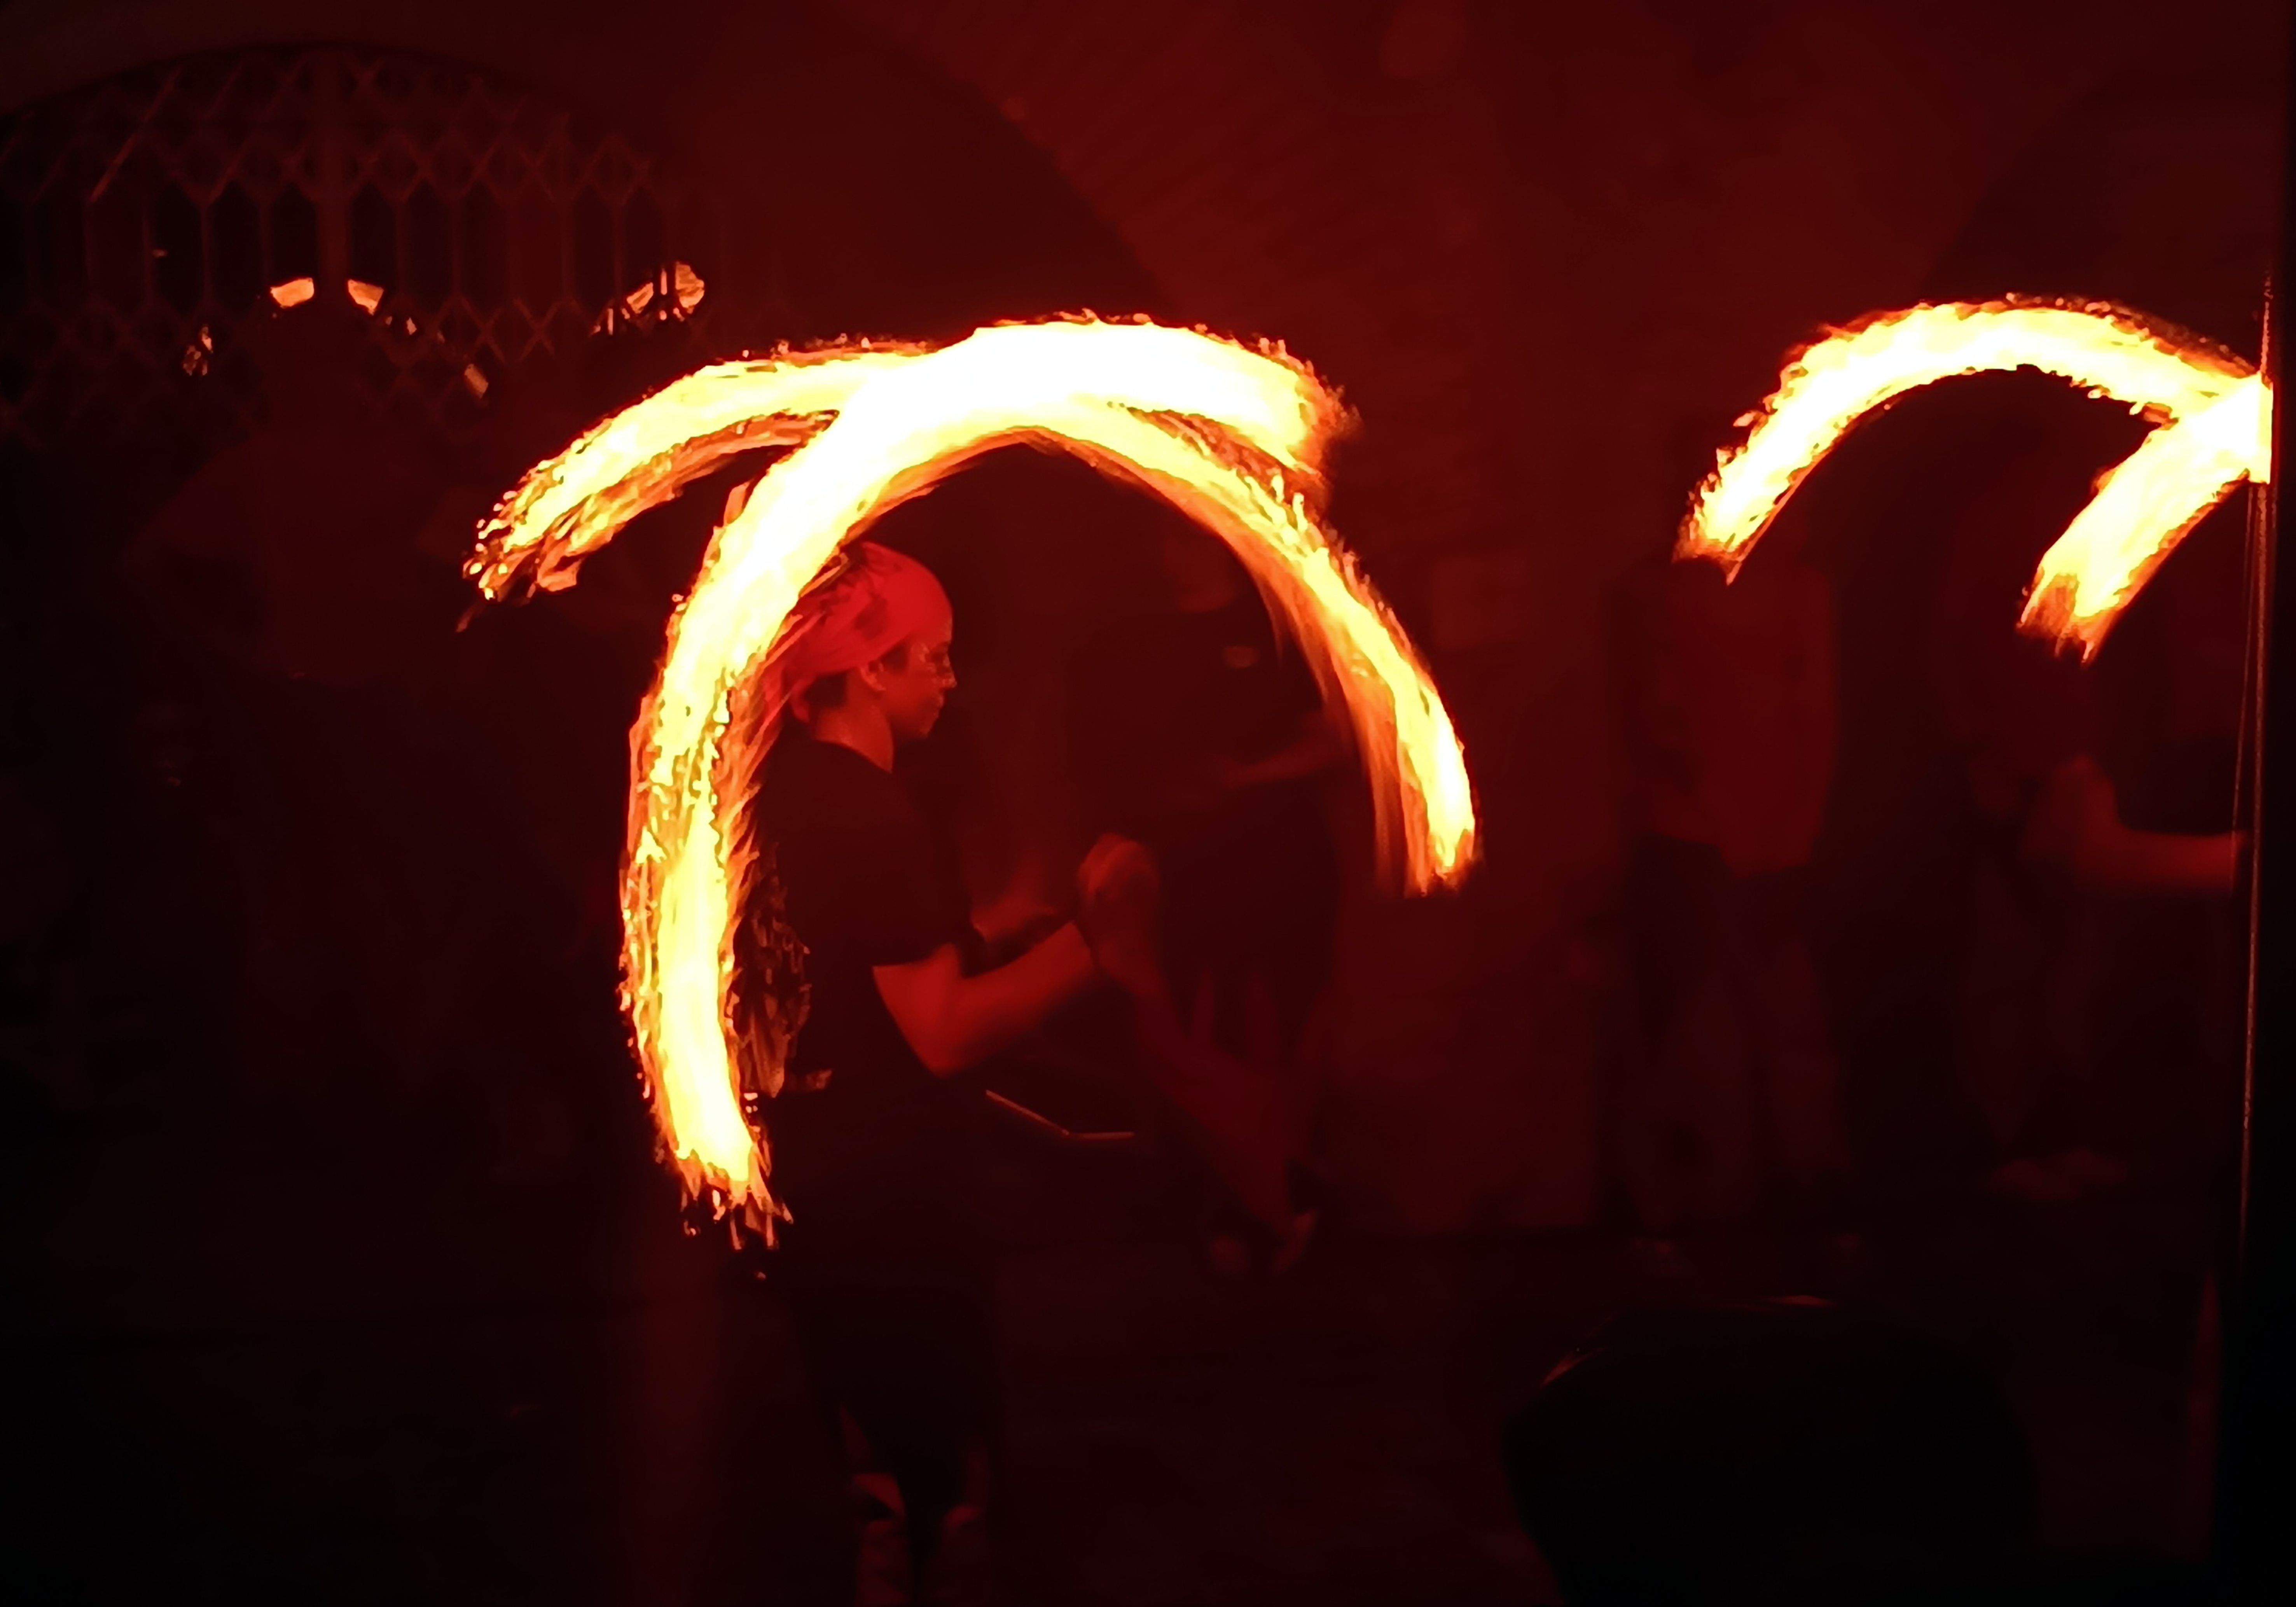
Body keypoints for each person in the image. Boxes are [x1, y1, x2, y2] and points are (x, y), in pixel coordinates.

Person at [741, 539, 1150, 1606]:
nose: (952, 678)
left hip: (812, 1177)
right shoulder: (874, 818)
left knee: (870, 1452)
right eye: (935, 656)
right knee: (937, 1486)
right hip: (895, 1197)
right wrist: (1089, 951)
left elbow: (846, 966)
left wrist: (982, 927)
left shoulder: (778, 797)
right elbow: (944, 1033)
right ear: (870, 668)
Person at [1063, 525, 1342, 1272]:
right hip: (1187, 874)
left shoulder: (1272, 632)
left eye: (1189, 541)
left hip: (1278, 872)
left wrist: (1243, 779)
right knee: (1184, 1035)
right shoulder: (1140, 642)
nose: (1171, 554)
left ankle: (1271, 1207)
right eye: (1168, 541)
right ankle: (1279, 1196)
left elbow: (1331, 739)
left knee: (1270, 1037)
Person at [1611, 551, 1851, 1259]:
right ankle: (1718, 1213)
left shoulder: (1798, 590)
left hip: (1764, 843)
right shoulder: (1655, 591)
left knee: (1782, 1025)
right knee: (1704, 1028)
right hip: (1692, 838)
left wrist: (1793, 842)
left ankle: (1799, 1201)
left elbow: (1816, 721)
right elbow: (1653, 721)